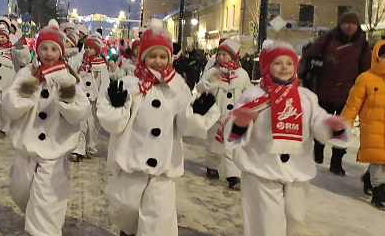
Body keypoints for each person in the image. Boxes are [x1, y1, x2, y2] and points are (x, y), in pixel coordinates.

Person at [97, 18, 219, 236]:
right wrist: (117, 107)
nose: (158, 61)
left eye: (163, 56)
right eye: (152, 56)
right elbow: (114, 124)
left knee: (158, 219)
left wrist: (195, 113)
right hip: (131, 162)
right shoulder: (130, 84)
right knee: (124, 207)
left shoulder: (177, 87)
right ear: (142, 57)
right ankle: (129, 229)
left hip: (163, 166)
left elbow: (183, 124)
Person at [218, 40, 352, 236]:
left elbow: (318, 119)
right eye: (277, 62)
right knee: (267, 224)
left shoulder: (306, 96)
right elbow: (232, 126)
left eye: (289, 63)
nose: (284, 67)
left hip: (296, 170)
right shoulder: (254, 95)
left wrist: (331, 126)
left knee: (294, 218)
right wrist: (241, 123)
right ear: (267, 67)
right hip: (262, 168)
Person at [2, 20, 90, 236]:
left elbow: (80, 110)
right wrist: (29, 89)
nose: (48, 53)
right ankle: (35, 220)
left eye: (53, 49)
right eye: (44, 48)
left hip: (54, 147)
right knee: (21, 190)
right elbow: (10, 104)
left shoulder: (66, 77)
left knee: (47, 195)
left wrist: (65, 97)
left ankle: (40, 232)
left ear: (60, 52)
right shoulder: (27, 73)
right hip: (26, 145)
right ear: (37, 49)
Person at [300, 11, 371, 176]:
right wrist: (320, 64)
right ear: (340, 24)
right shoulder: (328, 39)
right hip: (323, 90)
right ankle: (318, 147)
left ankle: (336, 162)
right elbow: (309, 58)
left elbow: (365, 69)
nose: (349, 26)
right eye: (346, 22)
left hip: (347, 95)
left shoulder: (362, 45)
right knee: (321, 122)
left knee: (342, 129)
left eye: (353, 23)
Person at [196, 36, 253, 190]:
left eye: (224, 54)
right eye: (219, 54)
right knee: (214, 144)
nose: (220, 57)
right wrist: (211, 83)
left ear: (234, 56)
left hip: (233, 118)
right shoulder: (213, 71)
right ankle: (212, 166)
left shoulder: (241, 74)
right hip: (216, 115)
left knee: (233, 147)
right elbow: (201, 88)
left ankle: (233, 176)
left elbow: (248, 91)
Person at [340, 40, 385, 209]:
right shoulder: (366, 78)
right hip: (373, 126)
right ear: (377, 57)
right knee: (378, 159)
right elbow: (353, 104)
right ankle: (379, 191)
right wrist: (345, 124)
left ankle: (369, 179)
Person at [0, 24, 31, 140]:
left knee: (4, 109)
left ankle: (2, 129)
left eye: (3, 37)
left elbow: (25, 60)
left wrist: (21, 47)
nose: (0, 39)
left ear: (7, 38)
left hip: (8, 84)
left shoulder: (13, 50)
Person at [70, 33, 108, 162]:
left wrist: (101, 100)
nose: (87, 50)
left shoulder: (101, 66)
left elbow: (104, 83)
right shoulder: (81, 63)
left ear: (96, 50)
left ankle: (90, 148)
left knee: (92, 126)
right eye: (86, 47)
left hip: (94, 100)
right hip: (81, 99)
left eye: (90, 48)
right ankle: (78, 150)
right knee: (81, 124)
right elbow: (74, 76)